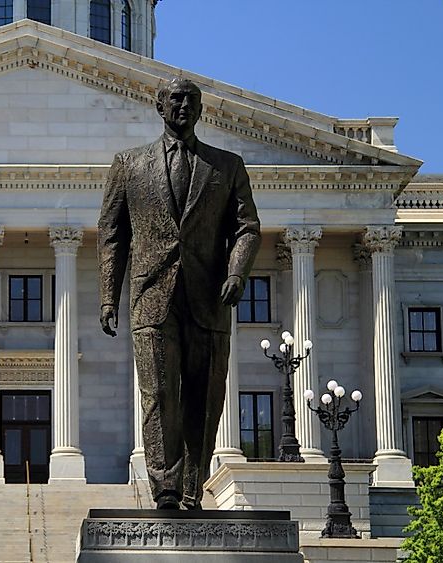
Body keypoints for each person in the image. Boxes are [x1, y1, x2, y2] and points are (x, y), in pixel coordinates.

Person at [97, 78, 261, 510]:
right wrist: (108, 297)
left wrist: (237, 273)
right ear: (158, 104)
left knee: (205, 398)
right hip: (151, 296)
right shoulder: (129, 164)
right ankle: (164, 488)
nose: (183, 106)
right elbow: (112, 236)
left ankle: (192, 488)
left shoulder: (226, 166)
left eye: (192, 100)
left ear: (202, 109)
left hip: (209, 297)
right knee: (158, 395)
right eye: (175, 99)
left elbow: (246, 227)